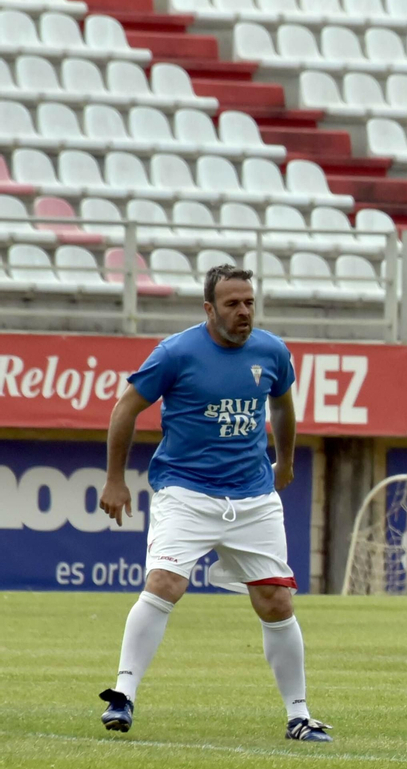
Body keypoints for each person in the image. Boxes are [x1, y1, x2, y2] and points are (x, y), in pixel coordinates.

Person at [96, 264, 331, 743]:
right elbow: (125, 408)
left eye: (249, 302)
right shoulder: (176, 353)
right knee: (165, 583)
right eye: (232, 303)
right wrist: (115, 479)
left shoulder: (272, 351)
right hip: (186, 491)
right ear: (209, 309)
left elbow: (282, 405)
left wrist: (285, 461)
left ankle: (299, 715)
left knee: (276, 600)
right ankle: (123, 695)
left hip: (253, 495)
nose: (244, 311)